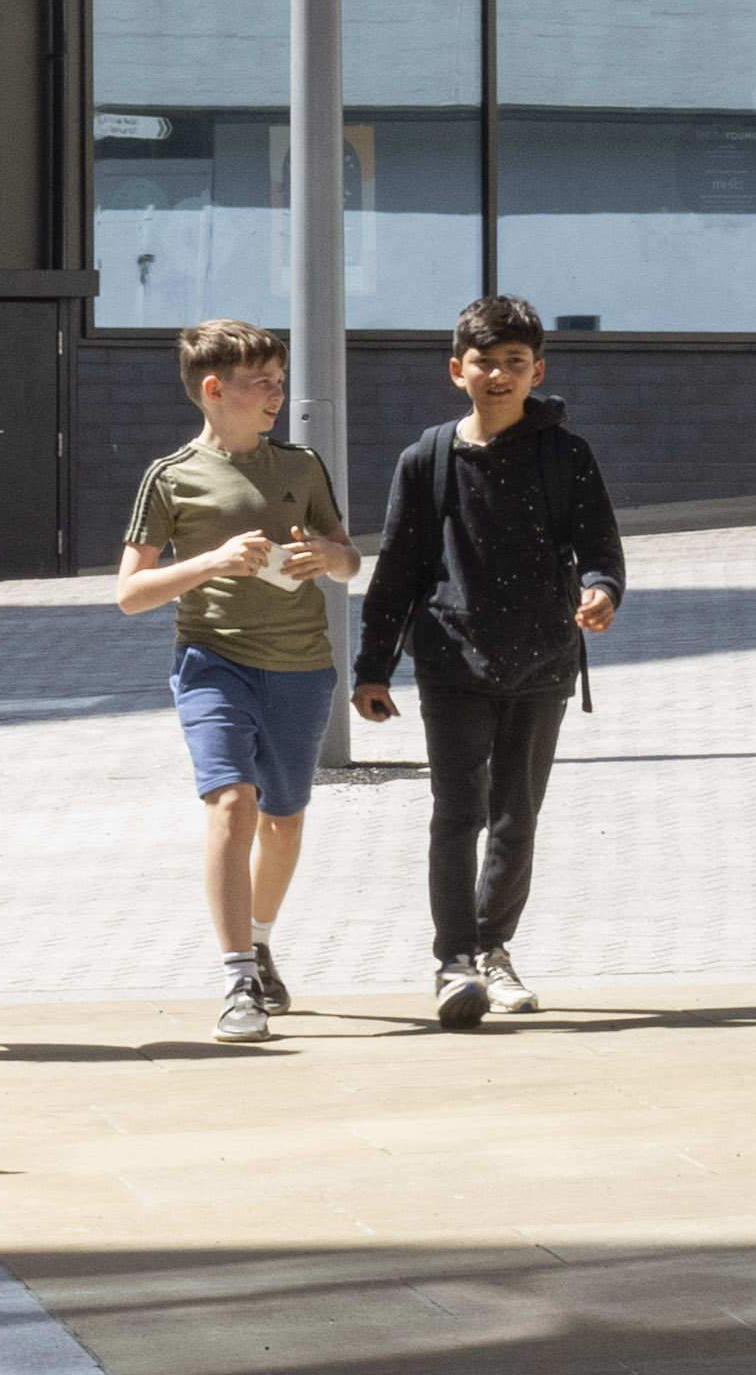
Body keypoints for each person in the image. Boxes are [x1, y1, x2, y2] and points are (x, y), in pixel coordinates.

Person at [350, 290, 628, 1028]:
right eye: (485, 363)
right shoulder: (429, 458)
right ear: (456, 370)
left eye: (515, 363)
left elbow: (601, 549)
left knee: (516, 815)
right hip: (452, 661)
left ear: (538, 371)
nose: (499, 375)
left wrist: (603, 592)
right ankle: (454, 961)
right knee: (458, 812)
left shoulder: (566, 454)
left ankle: (493, 947)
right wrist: (372, 667)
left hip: (542, 660)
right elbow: (399, 569)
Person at [109, 316, 356, 1038]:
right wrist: (211, 562)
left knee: (283, 822)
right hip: (212, 664)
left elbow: (349, 558)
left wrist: (326, 557)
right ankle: (237, 976)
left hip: (302, 667)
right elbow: (129, 593)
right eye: (262, 383)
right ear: (214, 390)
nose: (277, 393)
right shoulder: (170, 477)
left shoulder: (302, 467)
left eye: (281, 381)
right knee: (232, 804)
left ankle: (263, 939)